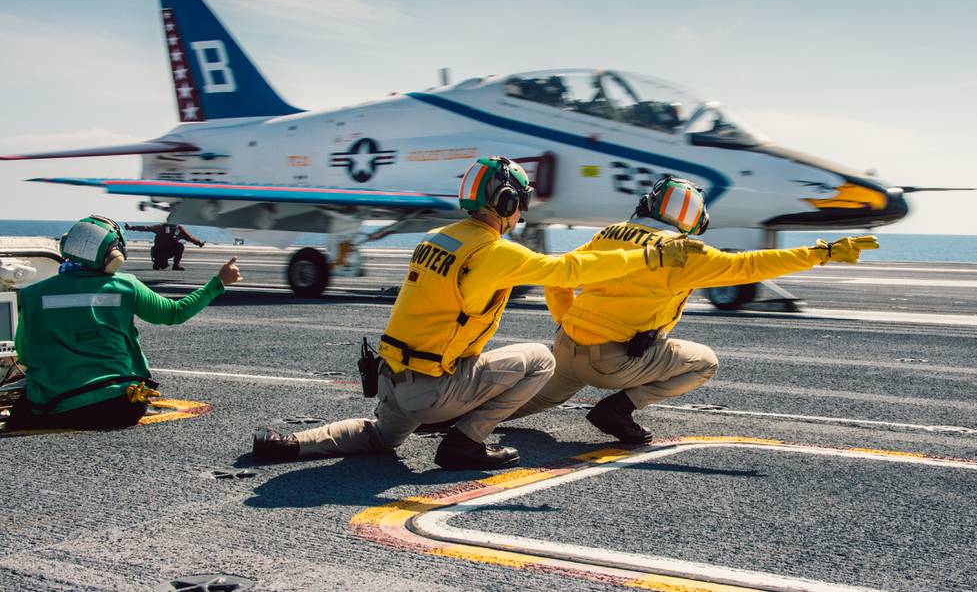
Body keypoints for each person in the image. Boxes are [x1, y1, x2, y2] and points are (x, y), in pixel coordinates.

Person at [251, 156, 705, 470]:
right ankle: (464, 443)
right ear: (507, 203)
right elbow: (568, 269)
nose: (521, 213)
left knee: (378, 436)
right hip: (433, 389)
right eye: (519, 204)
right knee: (539, 359)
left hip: (394, 382)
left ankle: (290, 445)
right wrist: (648, 258)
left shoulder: (437, 237)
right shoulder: (493, 251)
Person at [509, 176, 880, 444]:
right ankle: (617, 410)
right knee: (704, 362)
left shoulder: (609, 233)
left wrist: (566, 321)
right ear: (694, 221)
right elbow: (752, 265)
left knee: (516, 408)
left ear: (648, 203)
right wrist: (823, 253)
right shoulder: (684, 254)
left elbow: (558, 279)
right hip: (614, 363)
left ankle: (458, 419)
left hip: (565, 349)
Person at [9, 215, 242, 430]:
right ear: (113, 255)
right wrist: (218, 283)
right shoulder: (126, 286)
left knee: (20, 415)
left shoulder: (33, 295)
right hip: (122, 407)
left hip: (58, 406)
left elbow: (26, 354)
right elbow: (175, 312)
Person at [125, 222, 205, 271]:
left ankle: (176, 265)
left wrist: (199, 243)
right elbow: (146, 228)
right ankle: (157, 262)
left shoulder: (179, 230)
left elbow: (190, 238)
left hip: (170, 251)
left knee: (180, 246)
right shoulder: (161, 227)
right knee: (161, 266)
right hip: (159, 251)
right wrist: (131, 228)